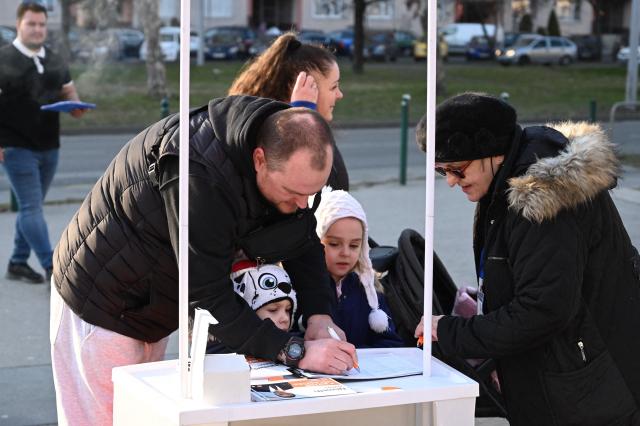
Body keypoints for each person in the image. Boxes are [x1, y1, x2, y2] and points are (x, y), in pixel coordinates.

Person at [50, 97, 357, 425]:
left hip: (150, 301)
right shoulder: (197, 173)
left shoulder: (284, 154)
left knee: (137, 417)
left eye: (310, 194)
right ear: (259, 160)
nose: (301, 204)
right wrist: (294, 350)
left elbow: (302, 237)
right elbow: (206, 294)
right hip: (101, 304)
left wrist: (319, 316)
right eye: (292, 192)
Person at [414, 92, 640, 425]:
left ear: (490, 152)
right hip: (578, 378)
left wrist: (452, 332)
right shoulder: (511, 178)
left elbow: (543, 309)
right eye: (441, 171)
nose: (450, 181)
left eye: (457, 170)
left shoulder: (540, 199)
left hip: (590, 390)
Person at [0, 1, 86, 284]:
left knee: (31, 208)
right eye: (31, 24)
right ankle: (53, 268)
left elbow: (69, 92)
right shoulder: (4, 59)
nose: (37, 30)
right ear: (19, 25)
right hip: (15, 146)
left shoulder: (55, 58)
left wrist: (77, 106)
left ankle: (17, 261)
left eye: (41, 24)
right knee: (31, 208)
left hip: (50, 146)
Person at [228, 32, 348, 190]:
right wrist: (303, 115)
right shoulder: (262, 142)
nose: (340, 95)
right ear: (302, 87)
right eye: (333, 87)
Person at [314, 189, 404, 348]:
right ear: (316, 240)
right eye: (334, 244)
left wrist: (356, 354)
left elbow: (390, 342)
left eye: (354, 245)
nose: (345, 253)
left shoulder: (369, 290)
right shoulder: (299, 289)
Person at [208, 261, 297, 354]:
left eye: (288, 310)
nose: (286, 318)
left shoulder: (294, 344)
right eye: (273, 310)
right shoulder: (218, 352)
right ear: (247, 312)